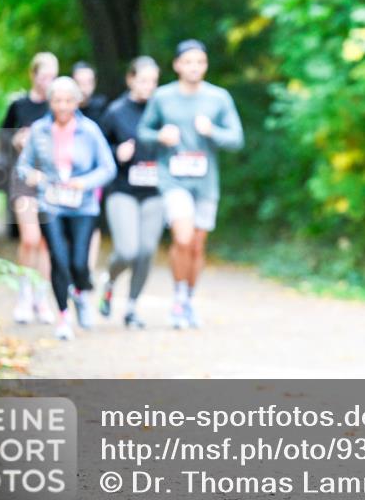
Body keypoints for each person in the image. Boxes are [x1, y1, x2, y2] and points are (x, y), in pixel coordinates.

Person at [137, 40, 243, 329]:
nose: (194, 67)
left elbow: (236, 138)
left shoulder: (218, 98)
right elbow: (142, 132)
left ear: (206, 65)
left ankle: (189, 299)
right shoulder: (162, 97)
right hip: (173, 179)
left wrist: (213, 132)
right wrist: (161, 136)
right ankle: (178, 298)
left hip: (206, 183)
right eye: (189, 62)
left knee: (196, 245)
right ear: (177, 65)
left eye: (200, 62)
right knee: (182, 238)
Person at [16, 76, 116, 340]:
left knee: (79, 264)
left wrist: (84, 182)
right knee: (59, 260)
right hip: (51, 203)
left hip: (83, 205)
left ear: (77, 101)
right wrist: (32, 176)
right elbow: (22, 166)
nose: (62, 106)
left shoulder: (90, 130)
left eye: (68, 100)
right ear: (50, 102)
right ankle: (63, 317)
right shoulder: (39, 129)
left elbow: (108, 168)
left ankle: (81, 294)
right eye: (57, 100)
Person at [97, 57, 163, 329]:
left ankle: (132, 307)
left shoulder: (162, 111)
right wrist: (116, 153)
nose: (148, 86)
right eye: (143, 80)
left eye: (154, 81)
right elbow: (97, 151)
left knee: (146, 250)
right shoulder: (115, 112)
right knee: (127, 251)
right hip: (122, 190)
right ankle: (110, 281)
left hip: (155, 191)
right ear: (130, 79)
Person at [1, 52, 59, 324]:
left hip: (51, 180)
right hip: (23, 178)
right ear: (33, 75)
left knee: (47, 242)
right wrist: (16, 140)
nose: (48, 81)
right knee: (30, 239)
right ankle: (24, 293)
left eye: (53, 76)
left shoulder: (59, 105)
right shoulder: (19, 105)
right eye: (44, 75)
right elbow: (2, 136)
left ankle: (41, 296)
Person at [72, 61, 109, 275]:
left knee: (91, 221)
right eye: (80, 82)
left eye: (88, 82)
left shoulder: (101, 107)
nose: (84, 87)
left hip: (93, 177)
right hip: (65, 177)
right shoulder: (62, 108)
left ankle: (87, 270)